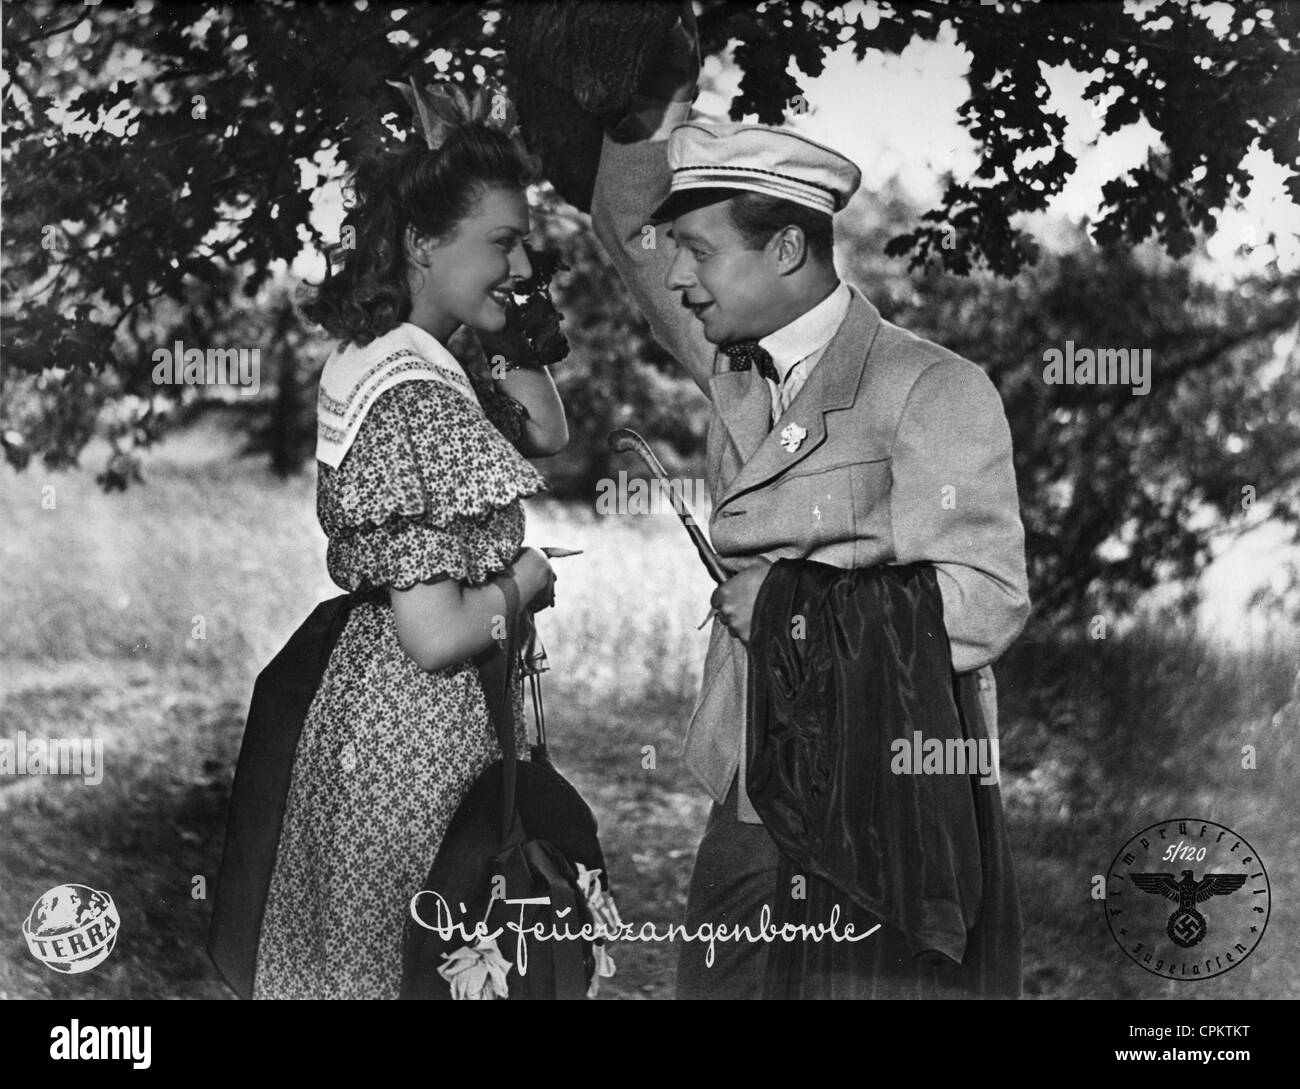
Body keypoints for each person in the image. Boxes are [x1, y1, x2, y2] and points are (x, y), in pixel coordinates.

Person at [590, 11, 1029, 998]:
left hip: (887, 804)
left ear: (786, 247)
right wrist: (653, 96)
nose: (676, 276)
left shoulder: (930, 389)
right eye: (678, 252)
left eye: (698, 250)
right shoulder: (738, 363)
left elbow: (987, 600)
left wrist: (794, 604)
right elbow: (626, 230)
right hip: (752, 795)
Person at [250, 79, 568, 999]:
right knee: (410, 969)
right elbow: (434, 635)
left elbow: (546, 434)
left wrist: (514, 322)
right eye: (502, 242)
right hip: (413, 729)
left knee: (384, 966)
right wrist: (526, 583)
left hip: (377, 714)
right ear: (425, 243)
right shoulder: (417, 397)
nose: (521, 261)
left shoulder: (398, 353)